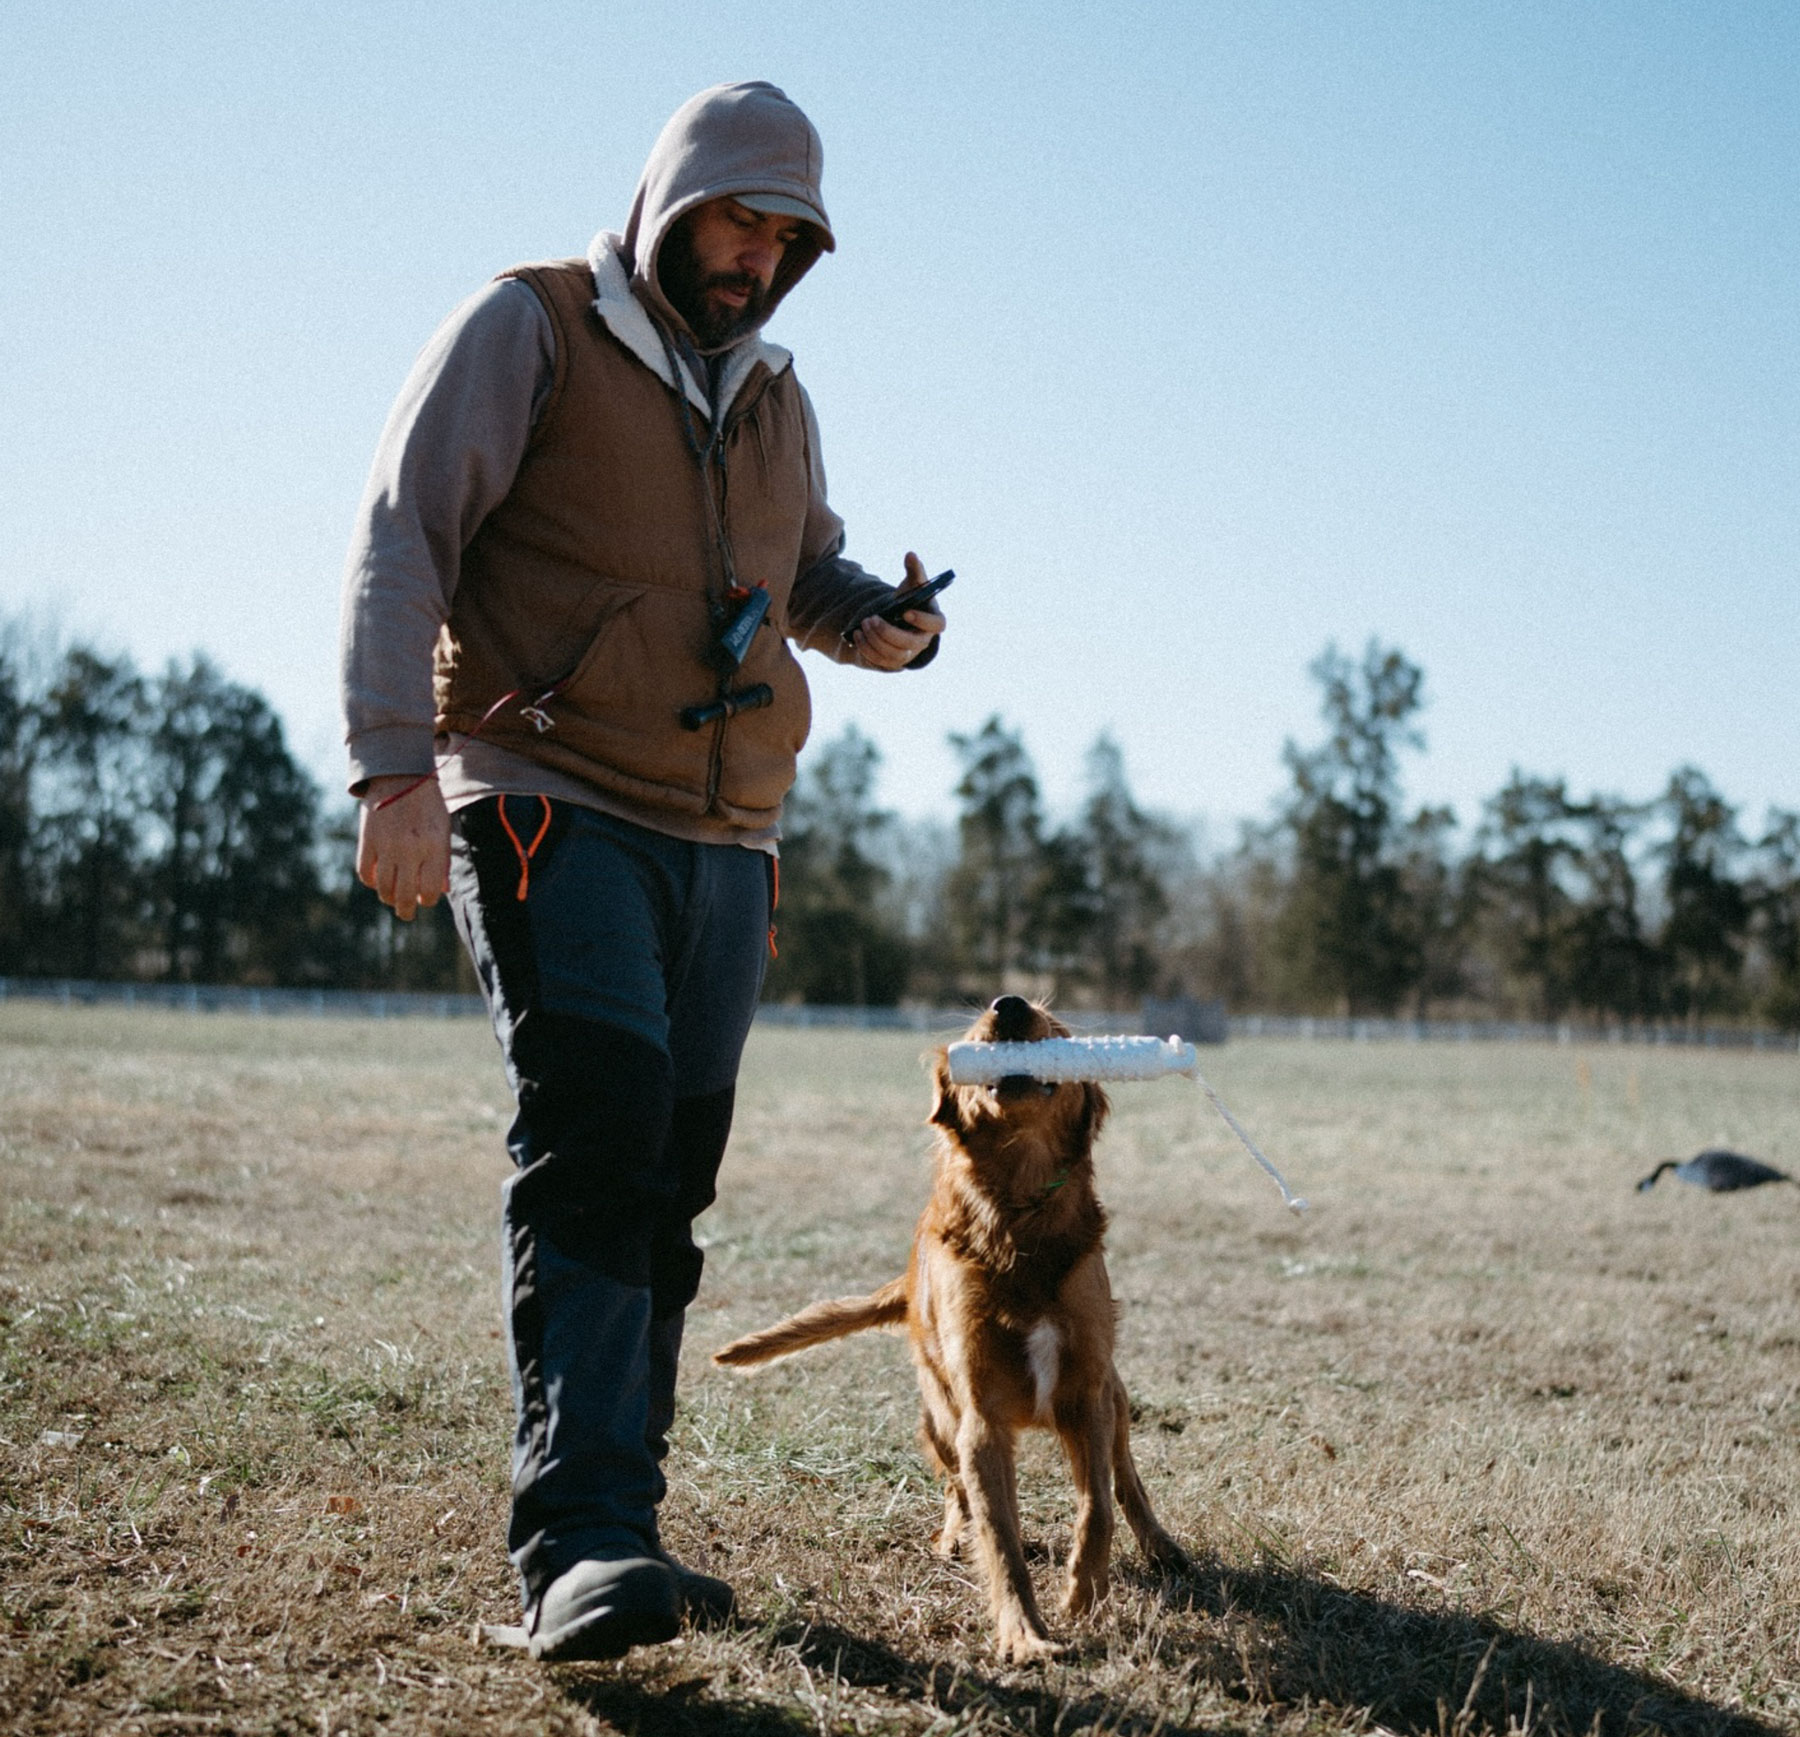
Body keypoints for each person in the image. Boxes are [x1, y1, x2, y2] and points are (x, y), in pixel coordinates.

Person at [337, 81, 945, 1662]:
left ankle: (630, 1527)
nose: (758, 257)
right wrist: (393, 768)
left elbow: (797, 572)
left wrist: (875, 618)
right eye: (739, 220)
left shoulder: (777, 395)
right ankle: (580, 1542)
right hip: (550, 793)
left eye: (787, 239)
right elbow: (403, 532)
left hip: (726, 835)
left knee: (670, 1172)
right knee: (597, 1130)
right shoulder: (528, 326)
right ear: (674, 201)